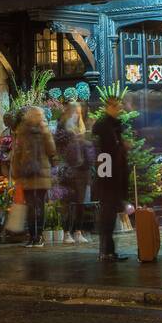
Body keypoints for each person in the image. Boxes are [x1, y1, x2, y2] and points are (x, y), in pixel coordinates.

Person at [10, 106, 56, 248]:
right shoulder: (44, 130)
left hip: (27, 174)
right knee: (39, 205)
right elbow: (52, 150)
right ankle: (39, 237)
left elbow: (17, 154)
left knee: (31, 206)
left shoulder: (21, 131)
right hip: (41, 174)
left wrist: (16, 174)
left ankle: (32, 237)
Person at [92, 97, 130, 262]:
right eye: (117, 107)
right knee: (107, 216)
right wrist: (107, 180)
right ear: (110, 107)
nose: (120, 110)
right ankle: (106, 252)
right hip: (109, 179)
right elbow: (105, 156)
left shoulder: (113, 126)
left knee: (110, 215)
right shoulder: (105, 128)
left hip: (113, 177)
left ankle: (109, 251)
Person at [57, 101, 92, 244]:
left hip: (82, 170)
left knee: (80, 203)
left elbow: (88, 149)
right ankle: (66, 232)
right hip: (68, 169)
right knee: (67, 203)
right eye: (75, 112)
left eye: (79, 113)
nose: (77, 115)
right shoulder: (62, 127)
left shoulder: (82, 128)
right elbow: (58, 145)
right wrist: (72, 137)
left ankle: (78, 231)